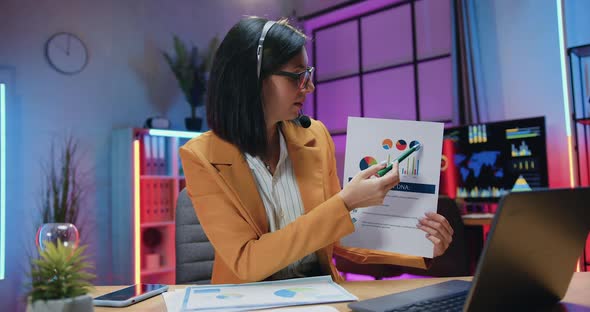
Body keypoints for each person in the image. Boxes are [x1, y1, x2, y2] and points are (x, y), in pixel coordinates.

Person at [179, 17, 453, 284]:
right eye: (297, 76)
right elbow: (247, 262)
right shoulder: (202, 157)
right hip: (249, 304)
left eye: (307, 75)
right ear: (252, 80)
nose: (309, 87)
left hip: (321, 294)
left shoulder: (316, 136)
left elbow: (335, 236)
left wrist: (420, 244)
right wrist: (344, 203)